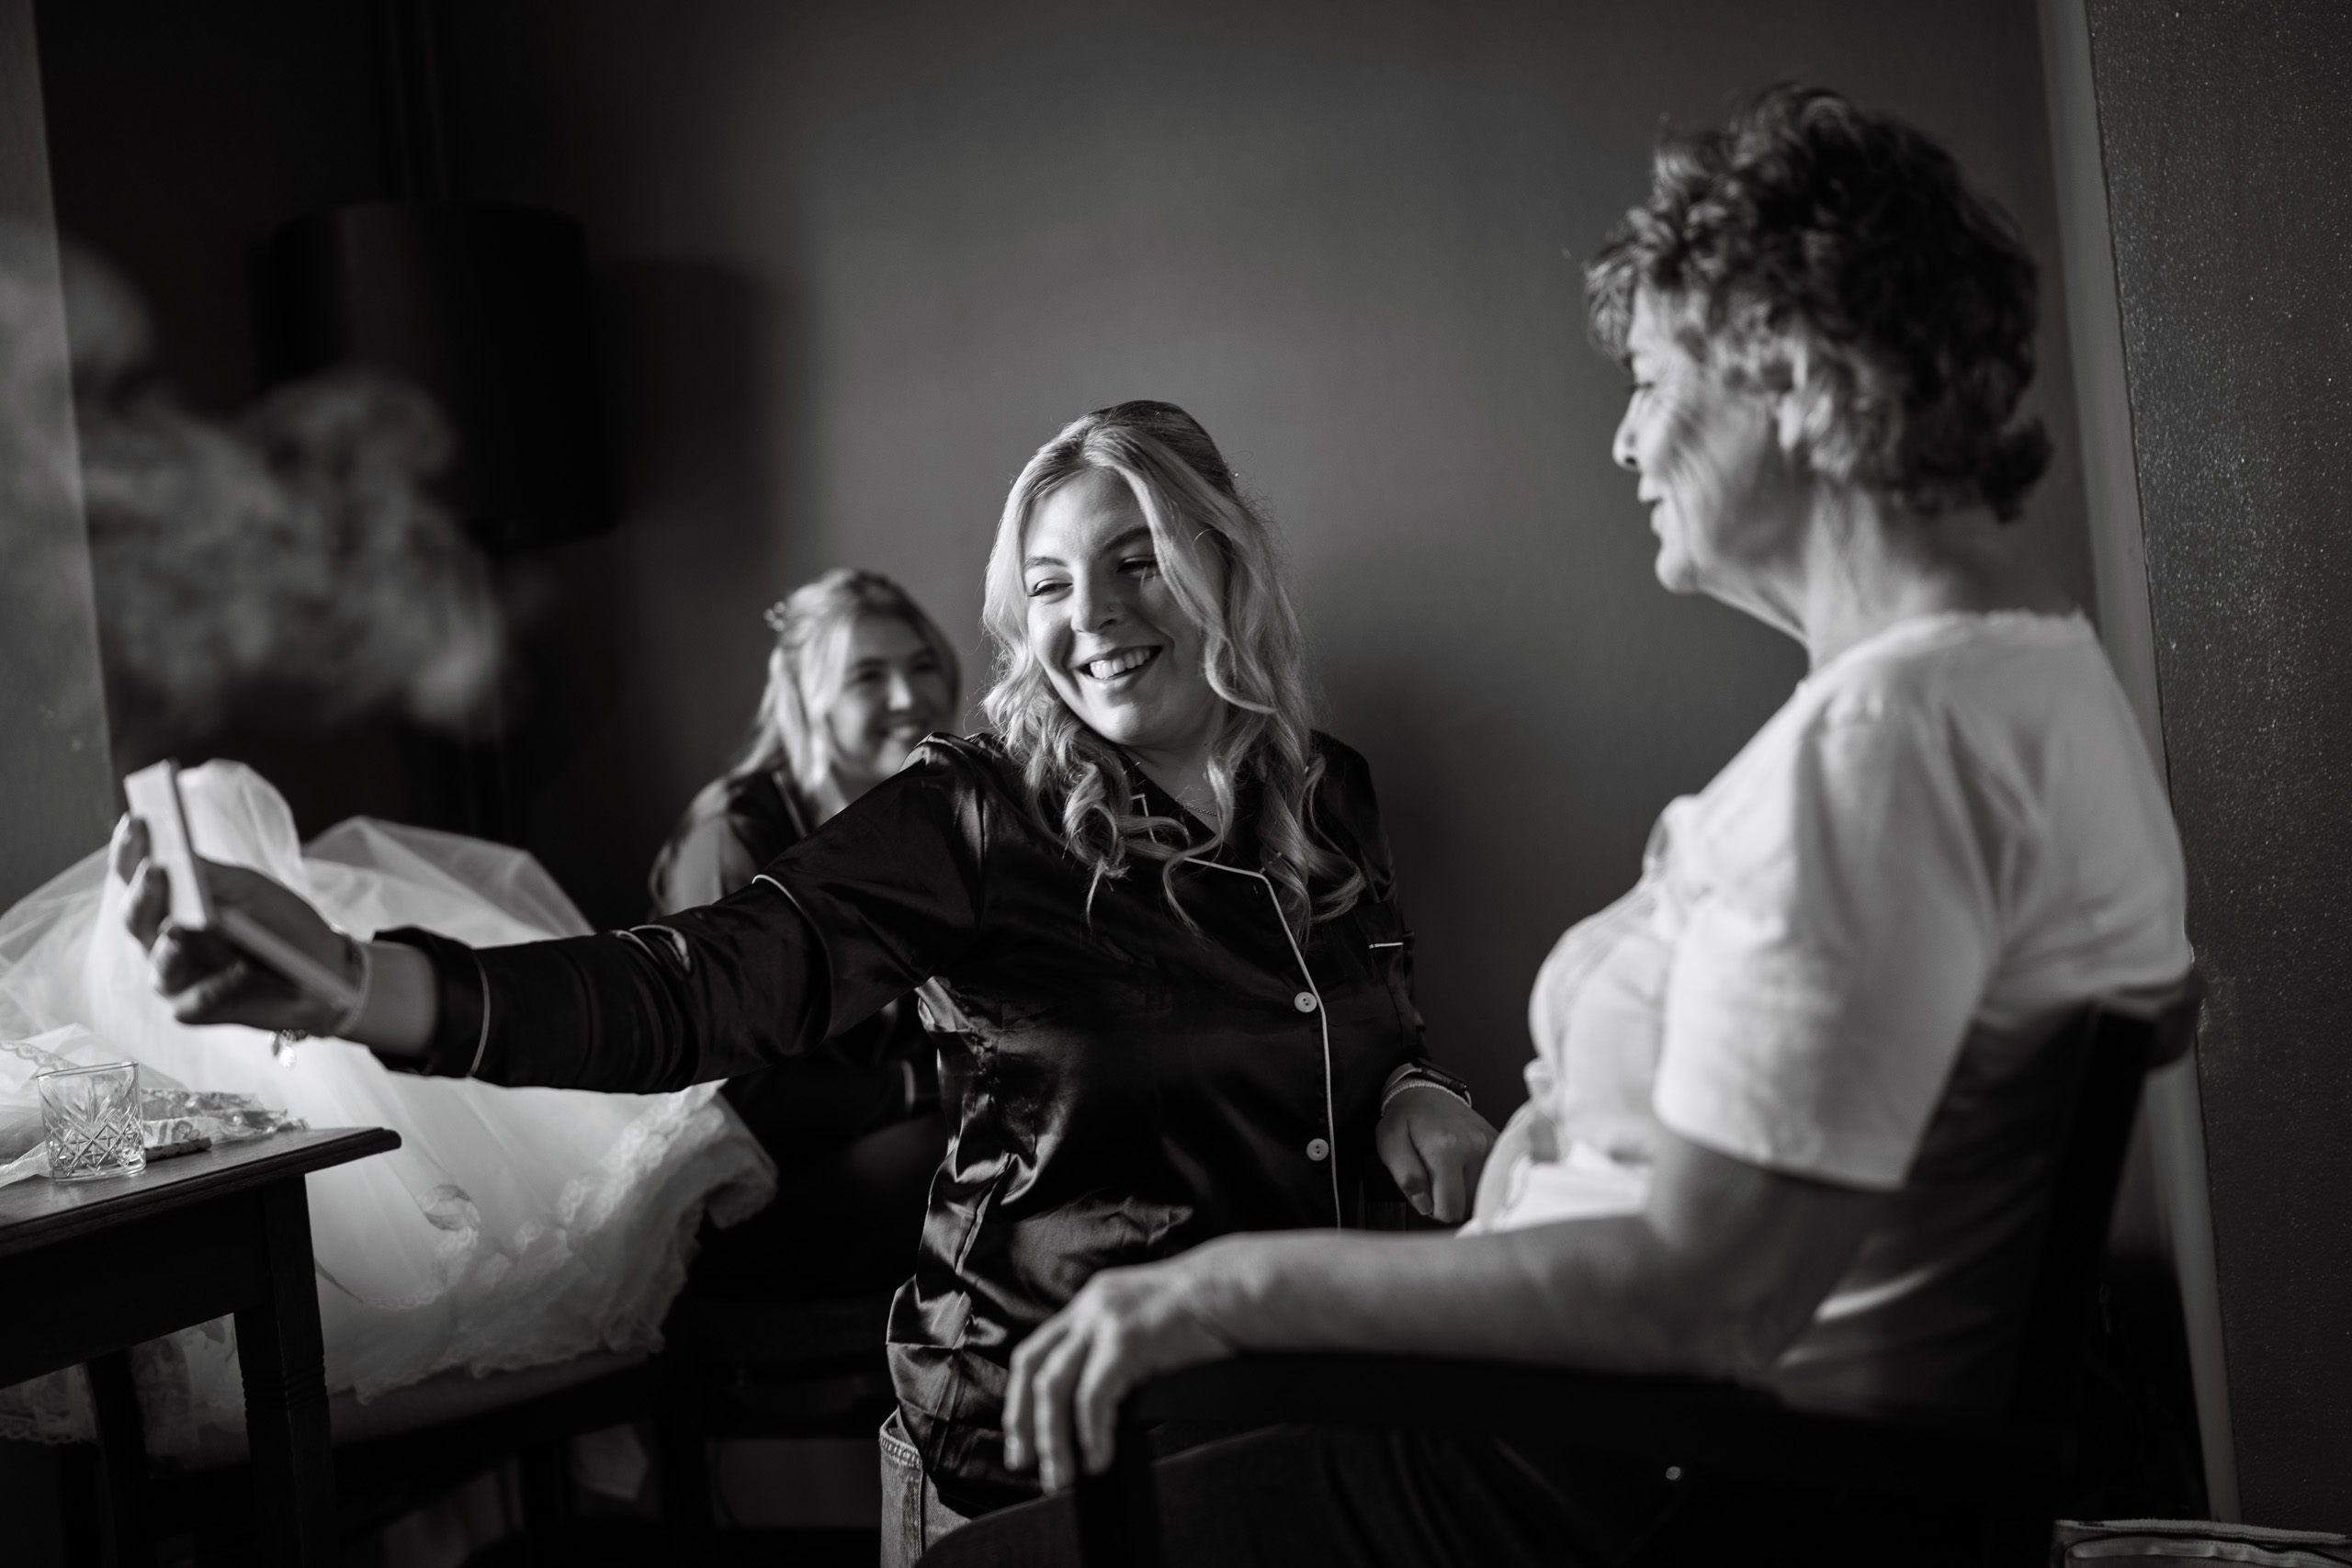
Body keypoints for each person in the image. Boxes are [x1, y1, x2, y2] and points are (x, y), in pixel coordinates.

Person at [945, 85, 2196, 1567]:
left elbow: (1702, 1300)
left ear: (1795, 377)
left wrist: (1221, 1290)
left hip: (1602, 1482)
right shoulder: (2030, 685)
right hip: (1641, 1447)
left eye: (1655, 382)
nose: (1625, 440)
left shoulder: (1883, 757)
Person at [117, 400, 1497, 1563]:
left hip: (1283, 1405)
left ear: (1226, 562)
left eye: (1137, 560)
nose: (1094, 616)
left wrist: (1414, 1088)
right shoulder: (975, 814)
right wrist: (359, 987)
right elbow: (701, 985)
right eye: (1051, 584)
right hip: (1040, 1449)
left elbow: (1374, 1000)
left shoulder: (1328, 787)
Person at [649, 570, 959, 1299]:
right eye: (867, 676)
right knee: (962, 1161)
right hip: (755, 1182)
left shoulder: (928, 809)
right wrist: (923, 1086)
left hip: (888, 1133)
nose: (908, 696)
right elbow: (743, 1097)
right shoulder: (733, 838)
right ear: (806, 697)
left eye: (922, 665)